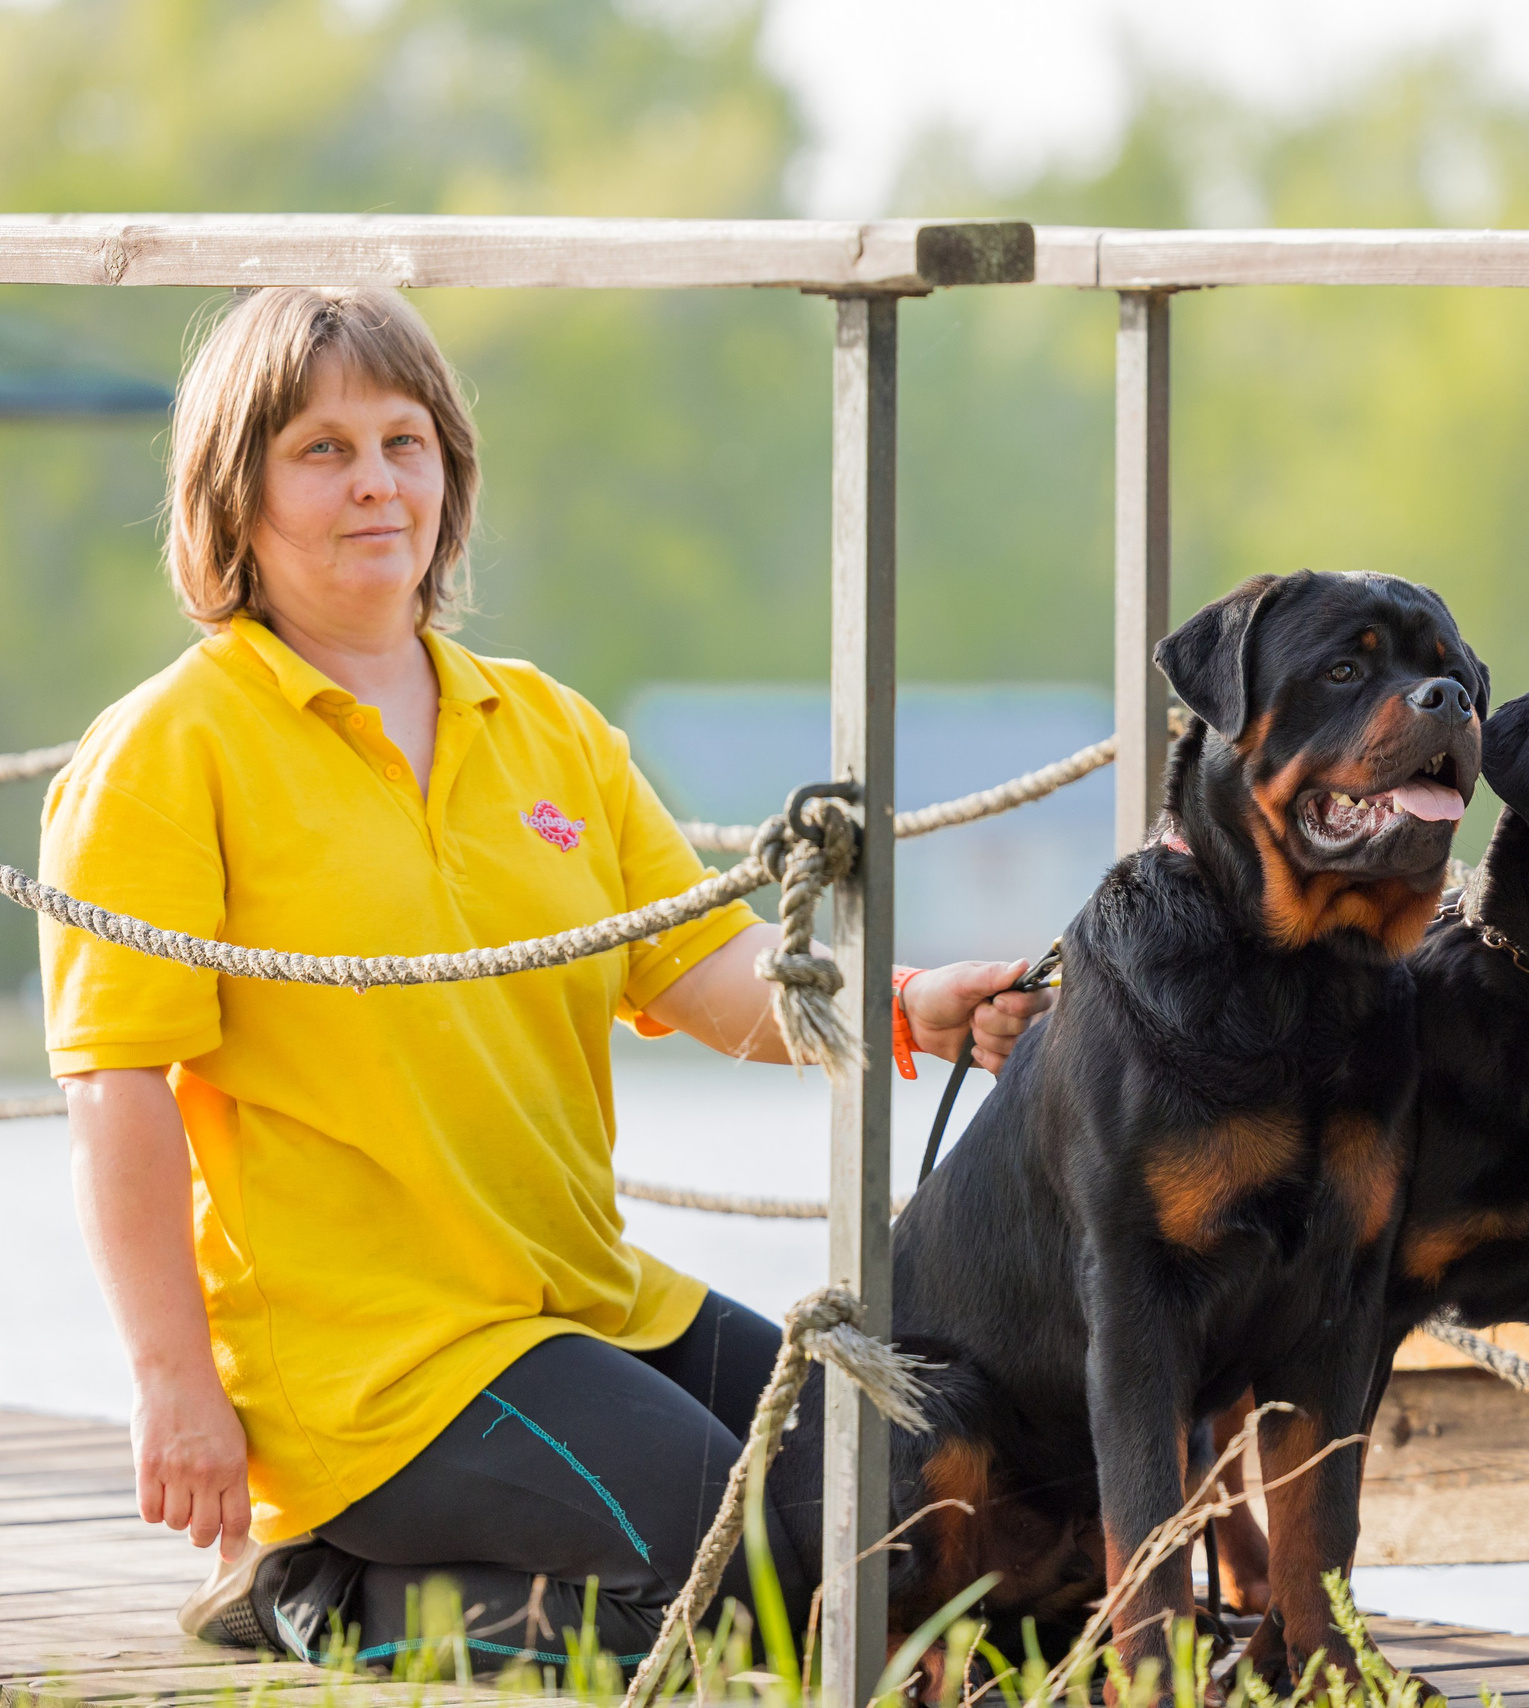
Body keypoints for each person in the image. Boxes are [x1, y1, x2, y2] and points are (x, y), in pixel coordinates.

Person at [40, 285, 1050, 1672]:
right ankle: (320, 1593)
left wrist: (907, 1005)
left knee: (908, 1492)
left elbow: (706, 968)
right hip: (374, 1367)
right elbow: (120, 1092)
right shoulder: (166, 750)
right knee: (731, 1576)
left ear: (451, 471)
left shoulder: (546, 727)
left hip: (587, 1303)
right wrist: (172, 1388)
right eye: (321, 450)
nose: (377, 482)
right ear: (237, 491)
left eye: (407, 441)